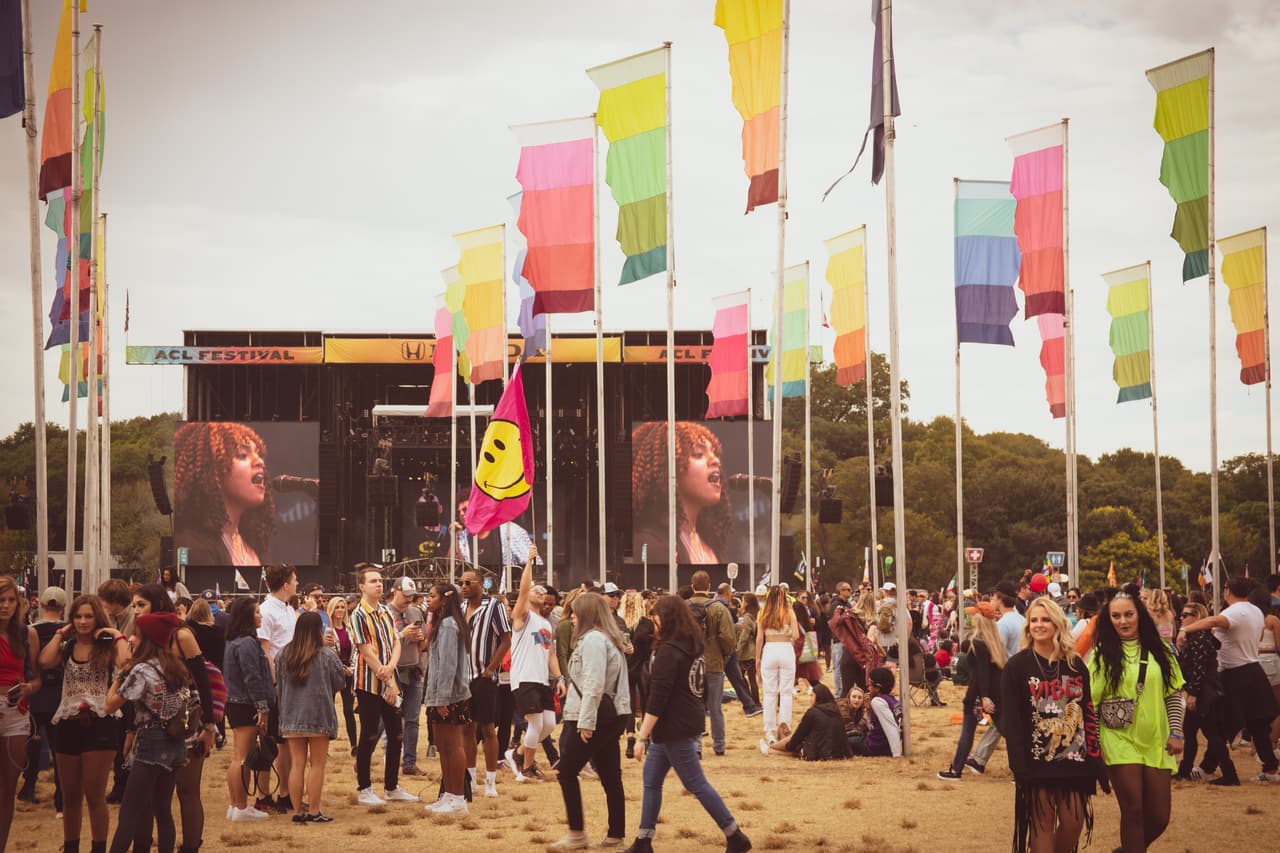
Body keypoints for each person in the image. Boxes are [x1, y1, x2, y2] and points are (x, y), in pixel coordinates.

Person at [622, 594, 751, 853]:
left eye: (655, 615)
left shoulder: (669, 651)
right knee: (651, 778)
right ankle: (644, 840)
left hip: (673, 726)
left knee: (695, 783)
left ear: (665, 618)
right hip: (683, 721)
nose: (653, 621)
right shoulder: (691, 645)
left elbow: (659, 696)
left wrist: (641, 736)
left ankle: (735, 835)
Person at [1001, 597, 1108, 853]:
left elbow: (1088, 712)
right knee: (1042, 823)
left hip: (1075, 759)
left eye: (1045, 619)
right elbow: (1012, 721)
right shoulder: (1016, 667)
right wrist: (1018, 764)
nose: (1039, 625)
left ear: (1057, 623)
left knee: (1073, 823)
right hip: (1036, 760)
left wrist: (1095, 758)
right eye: (1034, 620)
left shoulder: (1075, 665)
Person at [1090, 584, 1185, 852]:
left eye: (1128, 614)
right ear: (1108, 620)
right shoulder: (1101, 657)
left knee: (1159, 817)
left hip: (1156, 740)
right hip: (1117, 739)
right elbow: (1091, 705)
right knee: (1133, 810)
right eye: (1116, 616)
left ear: (1140, 615)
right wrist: (1095, 748)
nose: (1123, 621)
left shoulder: (1162, 652)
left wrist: (1176, 732)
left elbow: (1172, 694)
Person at [38, 594, 128, 853]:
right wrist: (60, 633)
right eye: (78, 616)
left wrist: (115, 633)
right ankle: (71, 847)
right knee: (70, 795)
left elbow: (125, 663)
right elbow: (44, 662)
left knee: (94, 793)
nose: (83, 621)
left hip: (101, 723)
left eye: (89, 616)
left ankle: (98, 847)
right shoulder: (67, 647)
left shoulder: (107, 646)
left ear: (97, 617)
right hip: (68, 722)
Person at [131, 584, 216, 852]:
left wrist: (210, 725)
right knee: (144, 795)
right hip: (145, 721)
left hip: (184, 719)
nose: (136, 610)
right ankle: (142, 846)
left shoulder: (181, 635)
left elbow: (203, 682)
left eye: (141, 605)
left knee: (187, 790)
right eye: (134, 605)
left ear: (157, 604)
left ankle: (190, 847)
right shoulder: (138, 635)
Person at [549, 592, 631, 850]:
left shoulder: (594, 640)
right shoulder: (608, 639)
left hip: (591, 716)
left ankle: (576, 834)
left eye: (574, 613)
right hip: (605, 715)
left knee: (566, 772)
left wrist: (586, 721)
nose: (571, 618)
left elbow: (593, 683)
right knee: (609, 775)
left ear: (586, 614)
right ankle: (616, 833)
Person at [105, 612, 191, 853]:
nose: (131, 639)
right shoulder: (175, 665)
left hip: (152, 742)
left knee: (129, 812)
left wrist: (120, 673)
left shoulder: (141, 670)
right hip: (176, 743)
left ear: (147, 639)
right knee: (163, 810)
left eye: (135, 634)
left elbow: (110, 704)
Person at [1180, 576, 1279, 784]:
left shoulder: (1235, 611)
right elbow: (1259, 636)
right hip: (1253, 669)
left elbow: (1216, 621)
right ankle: (1270, 768)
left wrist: (1186, 629)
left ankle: (1209, 768)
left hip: (1236, 673)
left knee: (1222, 725)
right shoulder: (1255, 611)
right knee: (1257, 723)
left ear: (1227, 591)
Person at [349, 564, 418, 806]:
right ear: (361, 586)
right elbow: (366, 652)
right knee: (368, 734)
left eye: (380, 580)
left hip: (389, 678)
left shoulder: (385, 612)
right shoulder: (358, 614)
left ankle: (391, 786)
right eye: (372, 581)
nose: (378, 584)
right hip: (368, 683)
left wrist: (391, 669)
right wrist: (386, 674)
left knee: (396, 733)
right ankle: (365, 787)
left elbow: (396, 642)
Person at [173, 421, 276, 566]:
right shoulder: (193, 546)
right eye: (242, 455)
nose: (260, 461)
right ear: (211, 470)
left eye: (259, 454)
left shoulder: (255, 547)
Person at [275, 611, 344, 824]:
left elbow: (278, 683)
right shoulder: (327, 655)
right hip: (319, 715)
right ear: (317, 630)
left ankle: (297, 811)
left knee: (297, 764)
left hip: (291, 715)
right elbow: (339, 683)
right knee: (317, 764)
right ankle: (314, 810)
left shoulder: (284, 654)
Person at [631, 421, 731, 565]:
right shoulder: (650, 544)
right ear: (668, 469)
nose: (715, 460)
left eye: (715, 453)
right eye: (698, 454)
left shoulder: (711, 542)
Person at [505, 546, 564, 782]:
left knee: (548, 724)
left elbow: (551, 655)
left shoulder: (547, 624)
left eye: (543, 591)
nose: (540, 592)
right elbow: (524, 591)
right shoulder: (522, 616)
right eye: (536, 590)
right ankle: (526, 770)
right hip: (524, 677)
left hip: (542, 680)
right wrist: (529, 561)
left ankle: (516, 754)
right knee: (536, 722)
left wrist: (559, 677)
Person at [938, 601, 1006, 780]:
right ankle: (956, 768)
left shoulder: (978, 643)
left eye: (973, 614)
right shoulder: (995, 642)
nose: (970, 618)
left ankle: (956, 770)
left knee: (968, 734)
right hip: (994, 693)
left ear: (980, 618)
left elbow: (981, 673)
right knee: (1006, 730)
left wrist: (983, 697)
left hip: (979, 695)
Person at [460, 566, 511, 798]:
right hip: (464, 676)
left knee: (488, 728)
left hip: (484, 676)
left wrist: (490, 669)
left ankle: (491, 780)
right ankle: (470, 780)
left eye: (468, 583)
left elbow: (505, 639)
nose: (464, 586)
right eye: (462, 583)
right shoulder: (461, 608)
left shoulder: (494, 606)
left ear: (480, 584)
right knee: (466, 729)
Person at [422, 581, 472, 815]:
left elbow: (449, 665)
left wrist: (443, 698)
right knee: (442, 745)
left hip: (450, 695)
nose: (428, 599)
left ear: (444, 600)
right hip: (438, 694)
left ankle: (459, 797)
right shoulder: (441, 623)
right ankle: (448, 794)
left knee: (453, 745)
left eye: (432, 595)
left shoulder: (450, 626)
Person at [221, 597, 272, 821]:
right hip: (246, 704)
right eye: (258, 612)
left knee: (237, 756)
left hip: (234, 702)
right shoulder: (248, 644)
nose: (261, 616)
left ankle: (235, 805)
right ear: (248, 617)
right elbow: (252, 677)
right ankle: (241, 806)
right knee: (243, 758)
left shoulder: (234, 641)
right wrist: (262, 707)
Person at [257, 564, 298, 809]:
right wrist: (274, 682)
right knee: (271, 741)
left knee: (285, 741)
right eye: (294, 580)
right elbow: (265, 650)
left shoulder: (287, 609)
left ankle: (284, 792)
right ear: (285, 585)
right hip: (277, 685)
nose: (296, 584)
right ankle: (264, 794)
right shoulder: (266, 610)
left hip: (291, 683)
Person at [22, 586, 67, 809]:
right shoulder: (69, 630)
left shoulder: (30, 630)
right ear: (63, 607)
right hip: (60, 694)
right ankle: (61, 791)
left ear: (40, 605)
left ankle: (29, 786)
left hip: (36, 693)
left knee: (31, 741)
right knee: (60, 746)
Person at [1174, 602, 1227, 781]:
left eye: (1185, 615)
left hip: (1204, 692)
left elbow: (1198, 669)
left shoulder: (1200, 638)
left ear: (1197, 617)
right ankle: (1184, 771)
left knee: (1210, 733)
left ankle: (1230, 773)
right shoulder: (1196, 637)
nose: (1181, 618)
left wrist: (1193, 694)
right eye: (1181, 615)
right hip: (1203, 690)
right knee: (1191, 731)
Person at [688, 570, 737, 756]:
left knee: (695, 707)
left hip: (691, 665)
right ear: (709, 587)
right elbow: (728, 637)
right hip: (714, 663)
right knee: (715, 708)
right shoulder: (718, 608)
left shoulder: (684, 607)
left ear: (692, 587)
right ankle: (719, 745)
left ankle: (696, 747)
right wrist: (723, 655)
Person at [386, 577, 428, 778]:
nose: (408, 600)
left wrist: (420, 638)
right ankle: (364, 755)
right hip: (394, 672)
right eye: (405, 595)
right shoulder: (385, 612)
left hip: (413, 669)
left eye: (411, 596)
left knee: (412, 719)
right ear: (395, 591)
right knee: (385, 720)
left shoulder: (415, 611)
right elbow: (383, 642)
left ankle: (409, 762)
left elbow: (423, 641)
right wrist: (402, 634)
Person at [756, 586, 799, 747]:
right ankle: (785, 727)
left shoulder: (763, 613)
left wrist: (757, 658)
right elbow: (796, 635)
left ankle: (770, 730)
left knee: (769, 693)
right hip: (786, 649)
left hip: (769, 650)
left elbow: (760, 638)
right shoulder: (789, 612)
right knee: (786, 692)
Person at [760, 683, 850, 761]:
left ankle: (771, 748)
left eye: (812, 695)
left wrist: (788, 747)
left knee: (795, 742)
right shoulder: (836, 711)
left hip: (818, 753)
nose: (810, 698)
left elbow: (799, 734)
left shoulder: (813, 712)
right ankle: (772, 747)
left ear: (818, 697)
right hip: (839, 753)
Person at [322, 596, 358, 755]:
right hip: (331, 672)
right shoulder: (326, 630)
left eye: (343, 607)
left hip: (349, 671)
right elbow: (325, 652)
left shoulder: (349, 629)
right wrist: (339, 667)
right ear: (331, 609)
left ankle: (354, 745)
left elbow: (356, 650)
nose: (340, 610)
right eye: (337, 607)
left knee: (349, 710)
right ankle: (325, 745)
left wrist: (352, 668)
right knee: (328, 709)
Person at [621, 590, 655, 759]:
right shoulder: (646, 624)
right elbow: (650, 649)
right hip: (642, 667)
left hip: (625, 668)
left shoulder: (619, 624)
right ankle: (645, 736)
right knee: (646, 702)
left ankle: (630, 739)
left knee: (628, 705)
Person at [849, 667, 902, 757]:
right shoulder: (893, 700)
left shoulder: (878, 702)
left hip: (875, 747)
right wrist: (869, 710)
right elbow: (873, 726)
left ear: (878, 688)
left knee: (842, 740)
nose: (868, 686)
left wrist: (896, 754)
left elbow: (891, 728)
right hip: (880, 743)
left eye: (870, 684)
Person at [734, 595, 760, 708]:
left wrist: (737, 651)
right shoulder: (754, 616)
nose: (741, 602)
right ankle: (755, 701)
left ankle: (751, 700)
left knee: (739, 676)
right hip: (752, 653)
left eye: (743, 600)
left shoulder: (747, 618)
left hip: (746, 654)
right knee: (751, 678)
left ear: (747, 603)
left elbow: (744, 637)